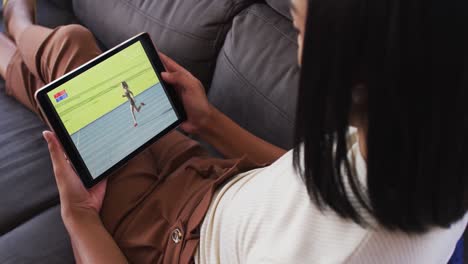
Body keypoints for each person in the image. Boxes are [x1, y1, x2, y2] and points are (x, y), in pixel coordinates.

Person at [1, 0, 466, 263]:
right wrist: (209, 122)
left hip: (169, 240)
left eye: (299, 30)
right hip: (213, 180)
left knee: (71, 50)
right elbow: (305, 180)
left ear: (353, 70)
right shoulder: (423, 140)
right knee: (80, 72)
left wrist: (79, 217)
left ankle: (15, 26)